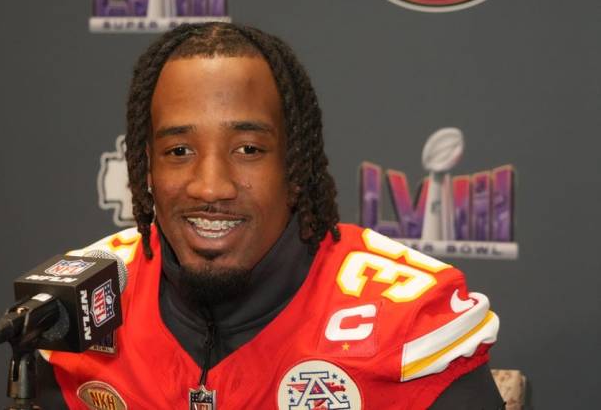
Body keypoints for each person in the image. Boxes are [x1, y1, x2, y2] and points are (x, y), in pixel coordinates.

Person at [38, 22, 504, 409]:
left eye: (248, 149)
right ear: (146, 169)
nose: (210, 186)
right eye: (178, 150)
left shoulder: (406, 320)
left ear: (295, 166)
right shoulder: (84, 302)